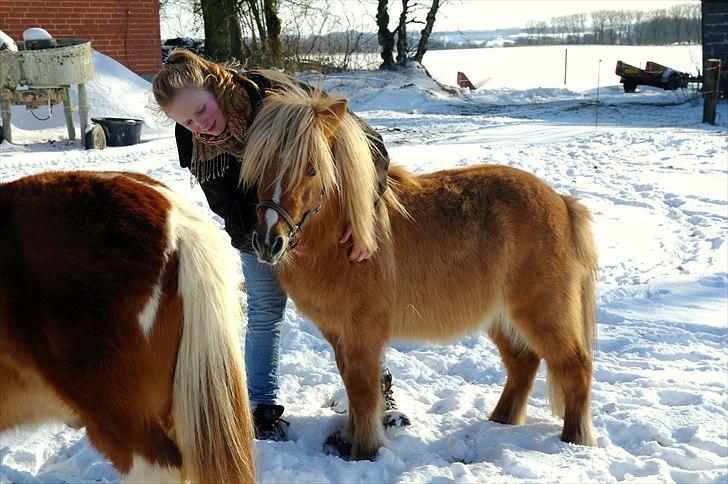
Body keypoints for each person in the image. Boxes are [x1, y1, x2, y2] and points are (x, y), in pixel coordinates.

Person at [152, 49, 405, 441]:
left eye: (201, 109)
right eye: (187, 121)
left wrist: (364, 214)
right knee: (265, 310)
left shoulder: (273, 97)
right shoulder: (197, 142)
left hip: (313, 216)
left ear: (215, 84)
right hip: (259, 229)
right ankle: (262, 407)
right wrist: (260, 239)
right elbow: (225, 203)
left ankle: (377, 392)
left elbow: (366, 142)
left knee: (354, 309)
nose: (200, 125)